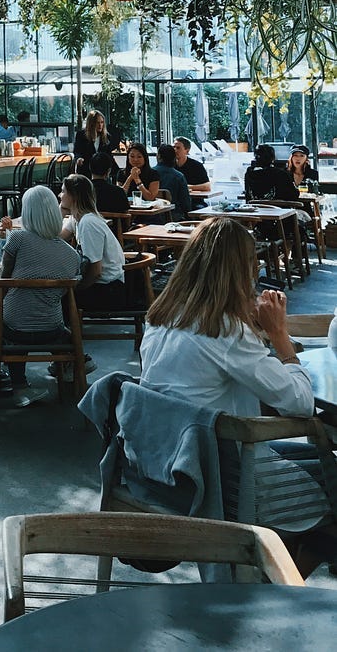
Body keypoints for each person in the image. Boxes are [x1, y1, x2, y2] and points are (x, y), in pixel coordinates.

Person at [140, 217, 331, 556]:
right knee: (331, 477)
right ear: (242, 272)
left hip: (165, 467)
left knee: (314, 458)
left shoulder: (160, 317)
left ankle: (263, 576)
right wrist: (278, 335)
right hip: (225, 480)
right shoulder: (226, 332)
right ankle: (273, 582)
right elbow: (300, 404)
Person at [0, 184, 82, 407]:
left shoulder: (17, 239)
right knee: (48, 320)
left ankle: (15, 383)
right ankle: (72, 367)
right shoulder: (72, 256)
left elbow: (3, 283)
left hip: (14, 327)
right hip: (52, 329)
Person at [59, 174, 128, 312]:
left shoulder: (88, 223)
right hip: (103, 285)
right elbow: (56, 238)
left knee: (54, 297)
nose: (60, 195)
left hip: (109, 290)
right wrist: (60, 212)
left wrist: (76, 289)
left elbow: (96, 271)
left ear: (74, 196)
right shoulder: (77, 219)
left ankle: (71, 333)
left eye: (63, 191)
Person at [152, 144, 192, 219]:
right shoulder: (179, 176)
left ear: (159, 156)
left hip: (151, 216)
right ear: (174, 158)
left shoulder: (148, 173)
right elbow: (185, 203)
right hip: (174, 216)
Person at [72, 109, 112, 175]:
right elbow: (77, 151)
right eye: (97, 122)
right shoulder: (81, 135)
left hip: (101, 171)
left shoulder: (106, 137)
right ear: (91, 123)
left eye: (102, 122)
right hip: (86, 169)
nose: (100, 125)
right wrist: (78, 159)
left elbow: (108, 155)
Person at [90, 151, 130, 216]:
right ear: (109, 171)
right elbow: (126, 216)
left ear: (90, 169)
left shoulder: (82, 191)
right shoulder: (118, 191)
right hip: (113, 226)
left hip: (87, 226)